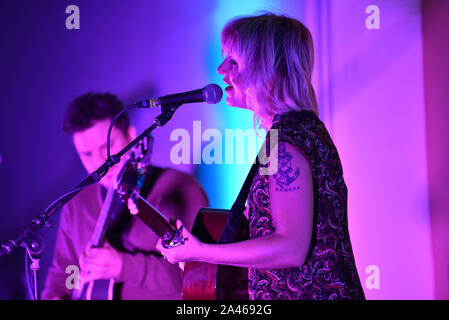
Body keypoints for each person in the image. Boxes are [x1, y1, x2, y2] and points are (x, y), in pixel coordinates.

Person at [156, 13, 366, 300]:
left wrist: (202, 252)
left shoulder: (284, 147)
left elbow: (290, 247)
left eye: (233, 61)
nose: (220, 69)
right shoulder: (300, 132)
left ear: (265, 69)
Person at [42, 93, 209, 300]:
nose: (99, 162)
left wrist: (123, 266)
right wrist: (57, 295)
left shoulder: (180, 187)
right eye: (87, 154)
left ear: (131, 136)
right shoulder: (77, 205)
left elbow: (199, 276)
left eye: (107, 147)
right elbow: (65, 273)